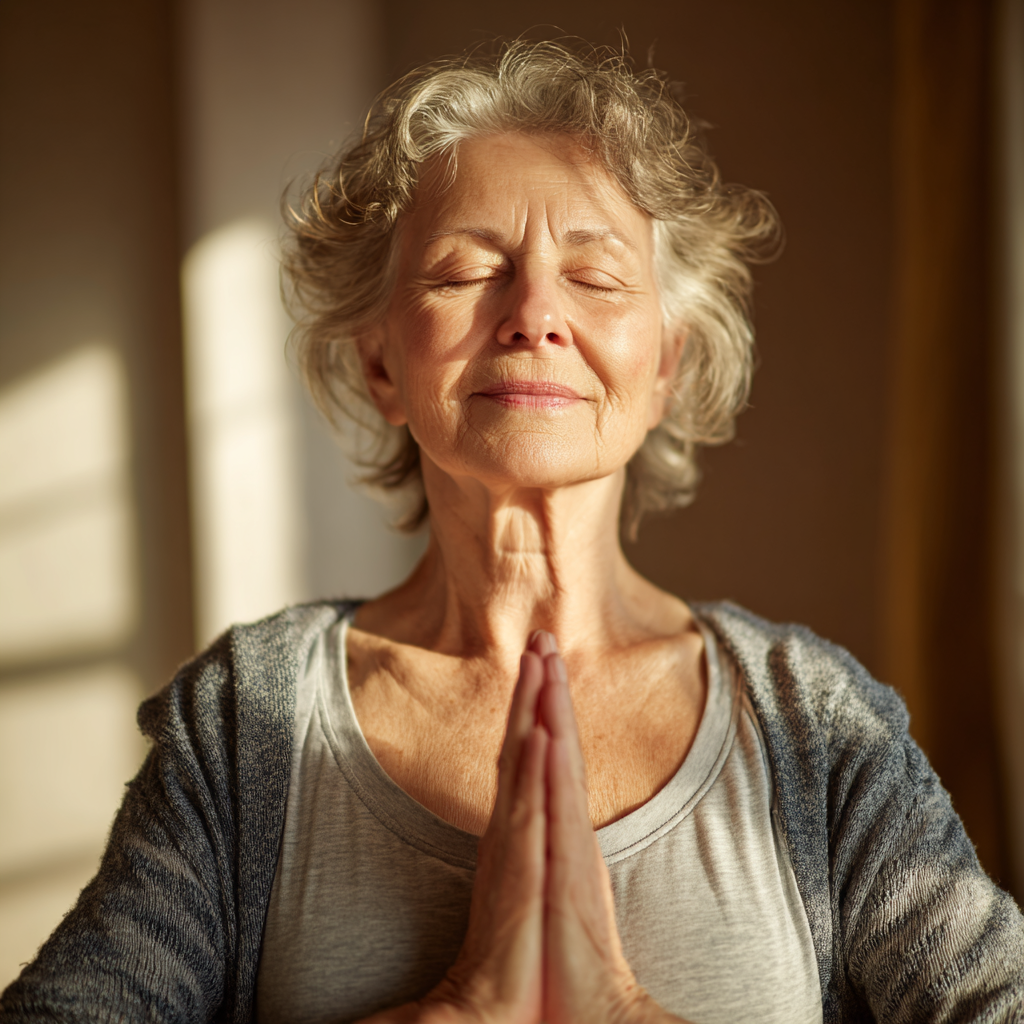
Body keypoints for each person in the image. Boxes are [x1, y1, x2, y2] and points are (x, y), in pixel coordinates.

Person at [3, 40, 1023, 1024]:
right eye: (462, 271)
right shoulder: (245, 722)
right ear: (380, 366)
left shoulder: (814, 720)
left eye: (595, 277)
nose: (535, 313)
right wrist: (457, 1010)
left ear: (663, 364)